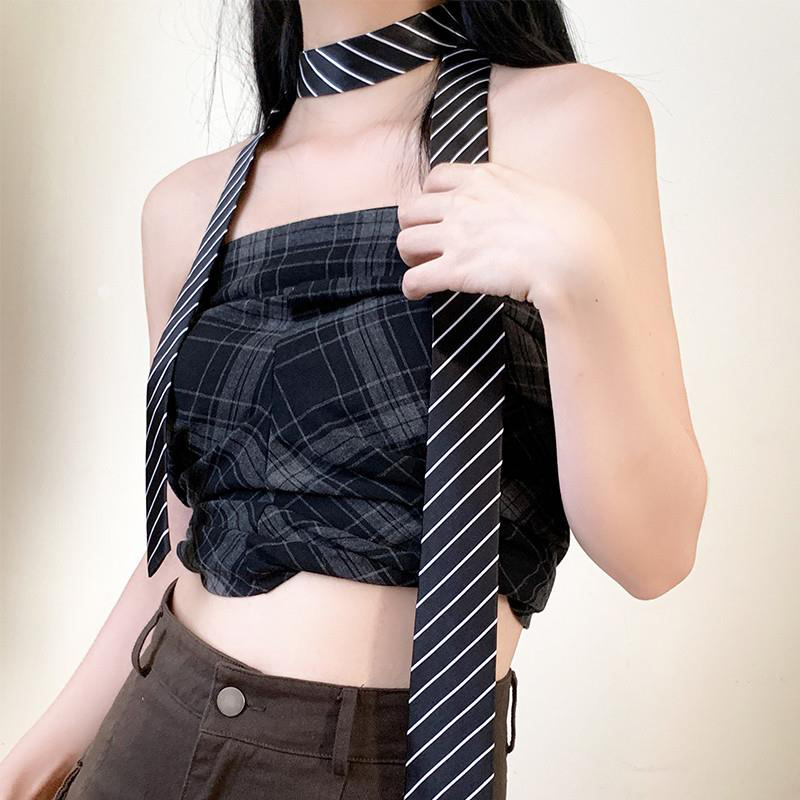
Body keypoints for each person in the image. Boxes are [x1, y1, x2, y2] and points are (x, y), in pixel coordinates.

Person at [0, 1, 707, 798]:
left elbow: (656, 556)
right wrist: (25, 768)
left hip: (384, 761)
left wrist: (579, 276)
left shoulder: (572, 122)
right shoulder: (184, 208)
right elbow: (183, 539)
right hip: (152, 733)